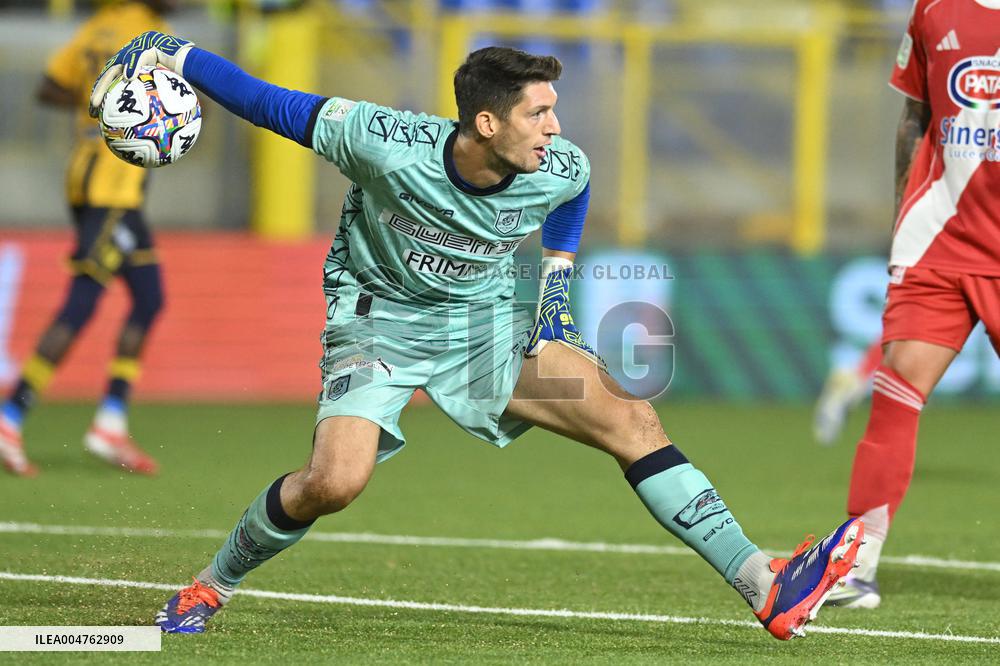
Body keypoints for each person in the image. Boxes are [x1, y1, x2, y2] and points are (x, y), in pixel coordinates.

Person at [89, 33, 863, 640]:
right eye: (539, 114)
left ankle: (763, 585)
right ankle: (211, 585)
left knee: (632, 419)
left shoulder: (557, 163)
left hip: (481, 325)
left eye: (554, 110)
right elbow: (266, 103)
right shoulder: (381, 141)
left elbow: (575, 190)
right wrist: (172, 52)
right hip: (379, 320)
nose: (555, 129)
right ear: (486, 123)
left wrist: (554, 286)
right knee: (334, 483)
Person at [826, 0, 1000, 608]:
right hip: (939, 242)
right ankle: (856, 566)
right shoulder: (935, 8)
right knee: (897, 390)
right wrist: (903, 213)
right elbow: (915, 117)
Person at [0, 1, 178, 477]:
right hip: (111, 190)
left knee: (149, 298)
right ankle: (10, 416)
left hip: (88, 175)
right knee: (82, 301)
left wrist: (96, 103)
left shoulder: (98, 27)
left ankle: (110, 424)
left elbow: (48, 87)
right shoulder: (153, 34)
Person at [813, 339, 882, 445]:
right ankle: (832, 412)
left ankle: (833, 411)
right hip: (858, 370)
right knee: (849, 392)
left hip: (863, 372)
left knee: (850, 394)